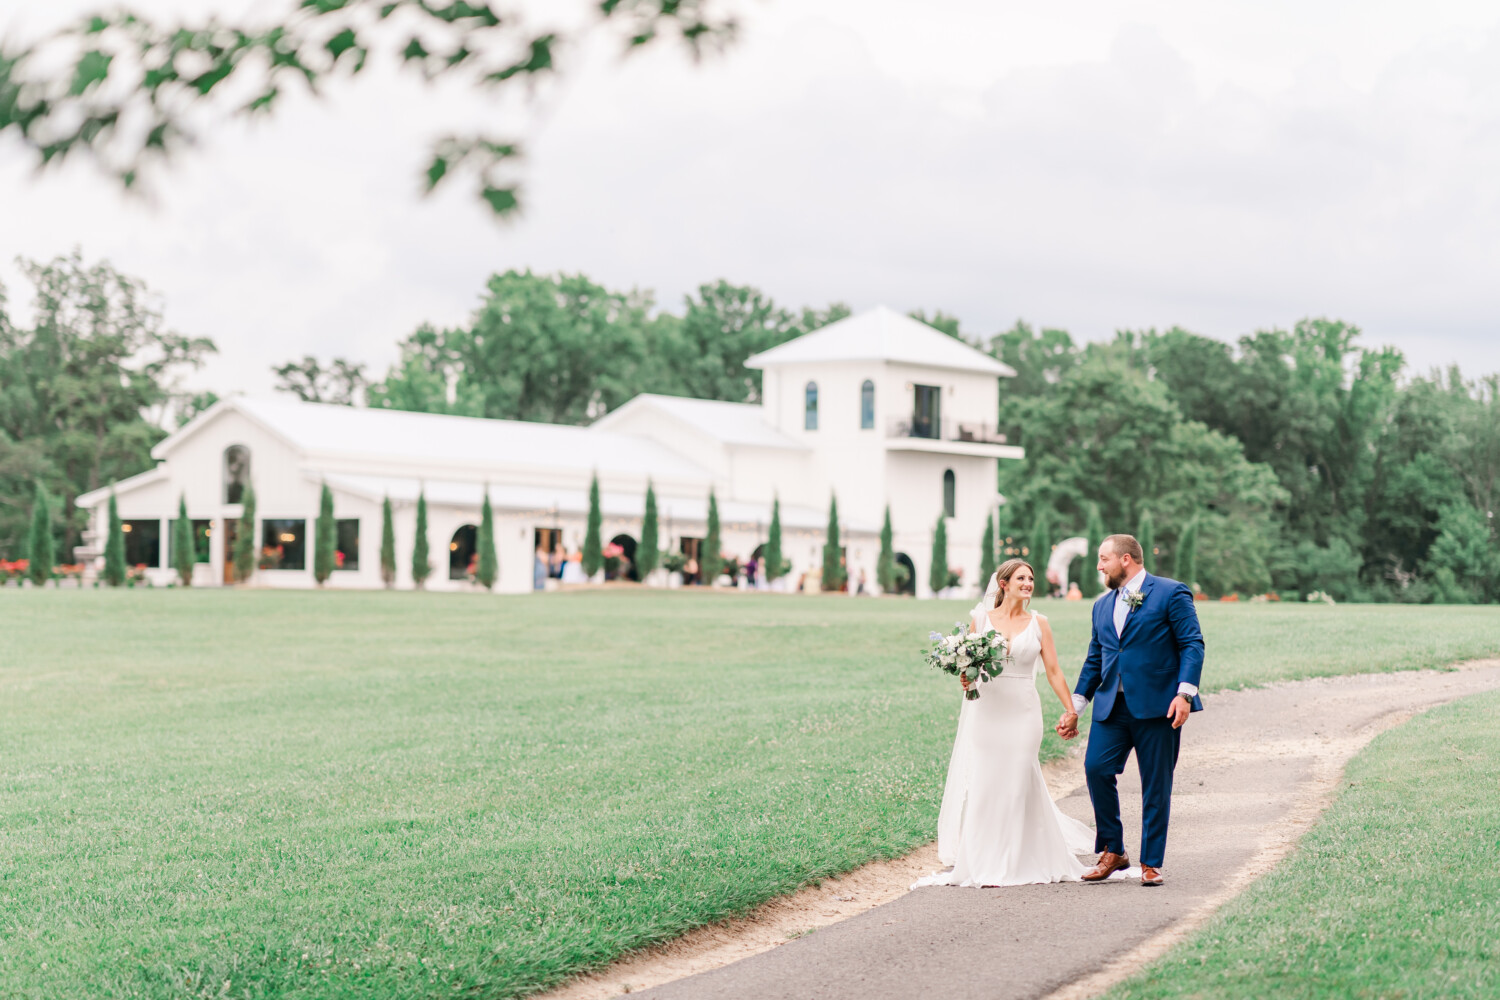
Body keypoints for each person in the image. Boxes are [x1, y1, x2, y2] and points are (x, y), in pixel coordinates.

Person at [914, 558, 1095, 888]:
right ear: (1004, 583)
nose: (1028, 583)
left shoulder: (1040, 622)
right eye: (1021, 578)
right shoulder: (980, 619)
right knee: (986, 782)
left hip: (1024, 711)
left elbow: (1053, 670)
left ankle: (1011, 862)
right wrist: (966, 679)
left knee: (1016, 780)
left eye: (1031, 578)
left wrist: (1071, 710)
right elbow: (968, 665)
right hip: (988, 710)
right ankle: (984, 859)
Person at [1058, 534, 1205, 888]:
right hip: (1112, 707)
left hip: (1159, 707)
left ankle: (1150, 863)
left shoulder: (1171, 592)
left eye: (1103, 558)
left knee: (1156, 785)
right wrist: (1076, 706)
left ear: (1126, 559)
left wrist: (1184, 694)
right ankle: (1113, 849)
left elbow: (1192, 643)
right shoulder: (1101, 605)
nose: (1098, 566)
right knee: (1096, 769)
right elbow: (1096, 658)